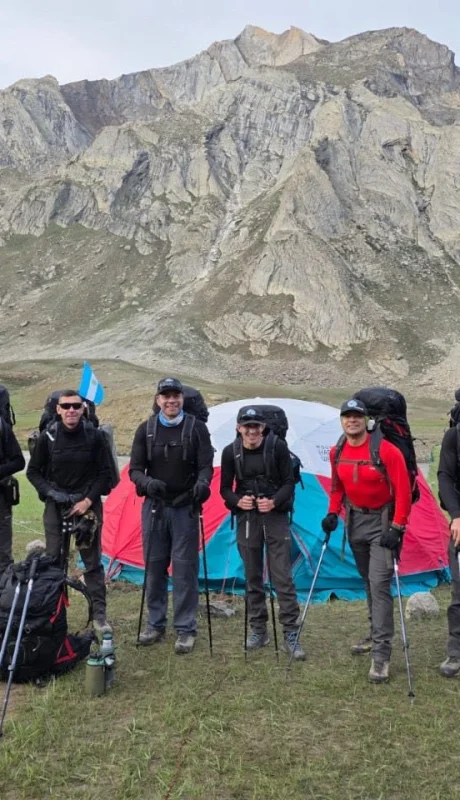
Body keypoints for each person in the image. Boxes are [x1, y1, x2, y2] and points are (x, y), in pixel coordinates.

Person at [322, 398, 412, 683]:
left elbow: (404, 492)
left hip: (383, 522)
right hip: (354, 522)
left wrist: (397, 527)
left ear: (367, 420)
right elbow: (338, 487)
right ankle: (375, 635)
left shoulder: (387, 451)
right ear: (342, 421)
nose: (352, 421)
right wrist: (332, 513)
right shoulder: (337, 452)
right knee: (368, 582)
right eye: (347, 417)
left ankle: (382, 656)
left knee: (379, 584)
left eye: (357, 417)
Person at [129, 377, 214, 655]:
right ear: (158, 400)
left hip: (185, 507)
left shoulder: (197, 429)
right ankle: (155, 624)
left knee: (184, 568)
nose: (171, 401)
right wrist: (146, 484)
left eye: (175, 396)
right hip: (154, 507)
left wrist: (202, 485)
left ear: (182, 399)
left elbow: (205, 466)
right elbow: (135, 469)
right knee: (154, 567)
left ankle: (185, 629)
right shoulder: (146, 430)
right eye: (165, 396)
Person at [220, 407, 305, 660]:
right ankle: (259, 630)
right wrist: (237, 501)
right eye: (247, 426)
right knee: (252, 576)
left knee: (282, 576)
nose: (252, 431)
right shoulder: (230, 452)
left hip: (275, 516)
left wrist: (274, 502)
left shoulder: (276, 448)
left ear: (263, 428)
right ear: (238, 428)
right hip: (248, 517)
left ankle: (291, 632)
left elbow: (289, 483)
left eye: (256, 426)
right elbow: (225, 488)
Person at [26, 389, 112, 633]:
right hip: (57, 505)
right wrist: (53, 494)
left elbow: (104, 473)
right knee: (54, 561)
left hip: (87, 506)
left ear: (83, 408)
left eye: (76, 406)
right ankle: (54, 613)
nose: (71, 410)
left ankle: (99, 616)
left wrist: (87, 501)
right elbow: (34, 472)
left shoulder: (94, 437)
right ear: (58, 409)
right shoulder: (48, 437)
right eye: (66, 406)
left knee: (92, 562)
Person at [437, 423, 460, 677]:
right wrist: (456, 516)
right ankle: (456, 652)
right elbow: (445, 476)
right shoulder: (455, 436)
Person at [0, 409, 25, 580]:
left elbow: (19, 461)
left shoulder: (1, 426)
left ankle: (4, 600)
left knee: (2, 555)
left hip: (1, 501)